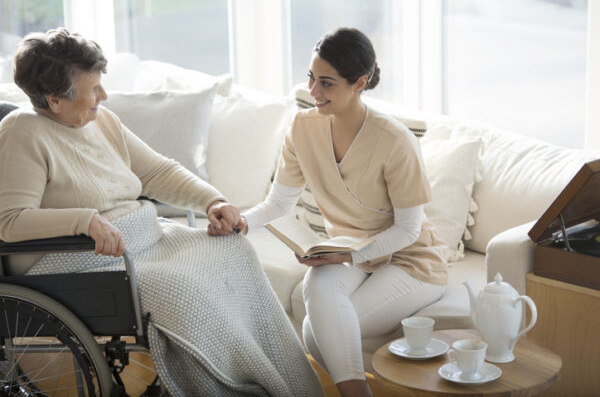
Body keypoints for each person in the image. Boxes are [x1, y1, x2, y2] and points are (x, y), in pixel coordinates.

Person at [0, 28, 324, 397]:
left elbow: (155, 171)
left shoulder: (101, 121)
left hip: (138, 240)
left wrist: (212, 201)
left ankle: (284, 385)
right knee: (185, 290)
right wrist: (84, 220)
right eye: (93, 90)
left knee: (232, 250)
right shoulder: (22, 133)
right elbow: (10, 221)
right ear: (54, 100)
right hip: (79, 261)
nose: (103, 96)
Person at [228, 28, 448, 397]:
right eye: (311, 78)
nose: (313, 92)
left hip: (411, 260)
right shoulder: (301, 128)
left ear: (359, 83)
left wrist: (349, 254)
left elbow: (409, 230)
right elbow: (281, 202)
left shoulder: (395, 141)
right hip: (351, 252)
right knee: (317, 283)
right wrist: (243, 221)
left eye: (327, 84)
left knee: (318, 332)